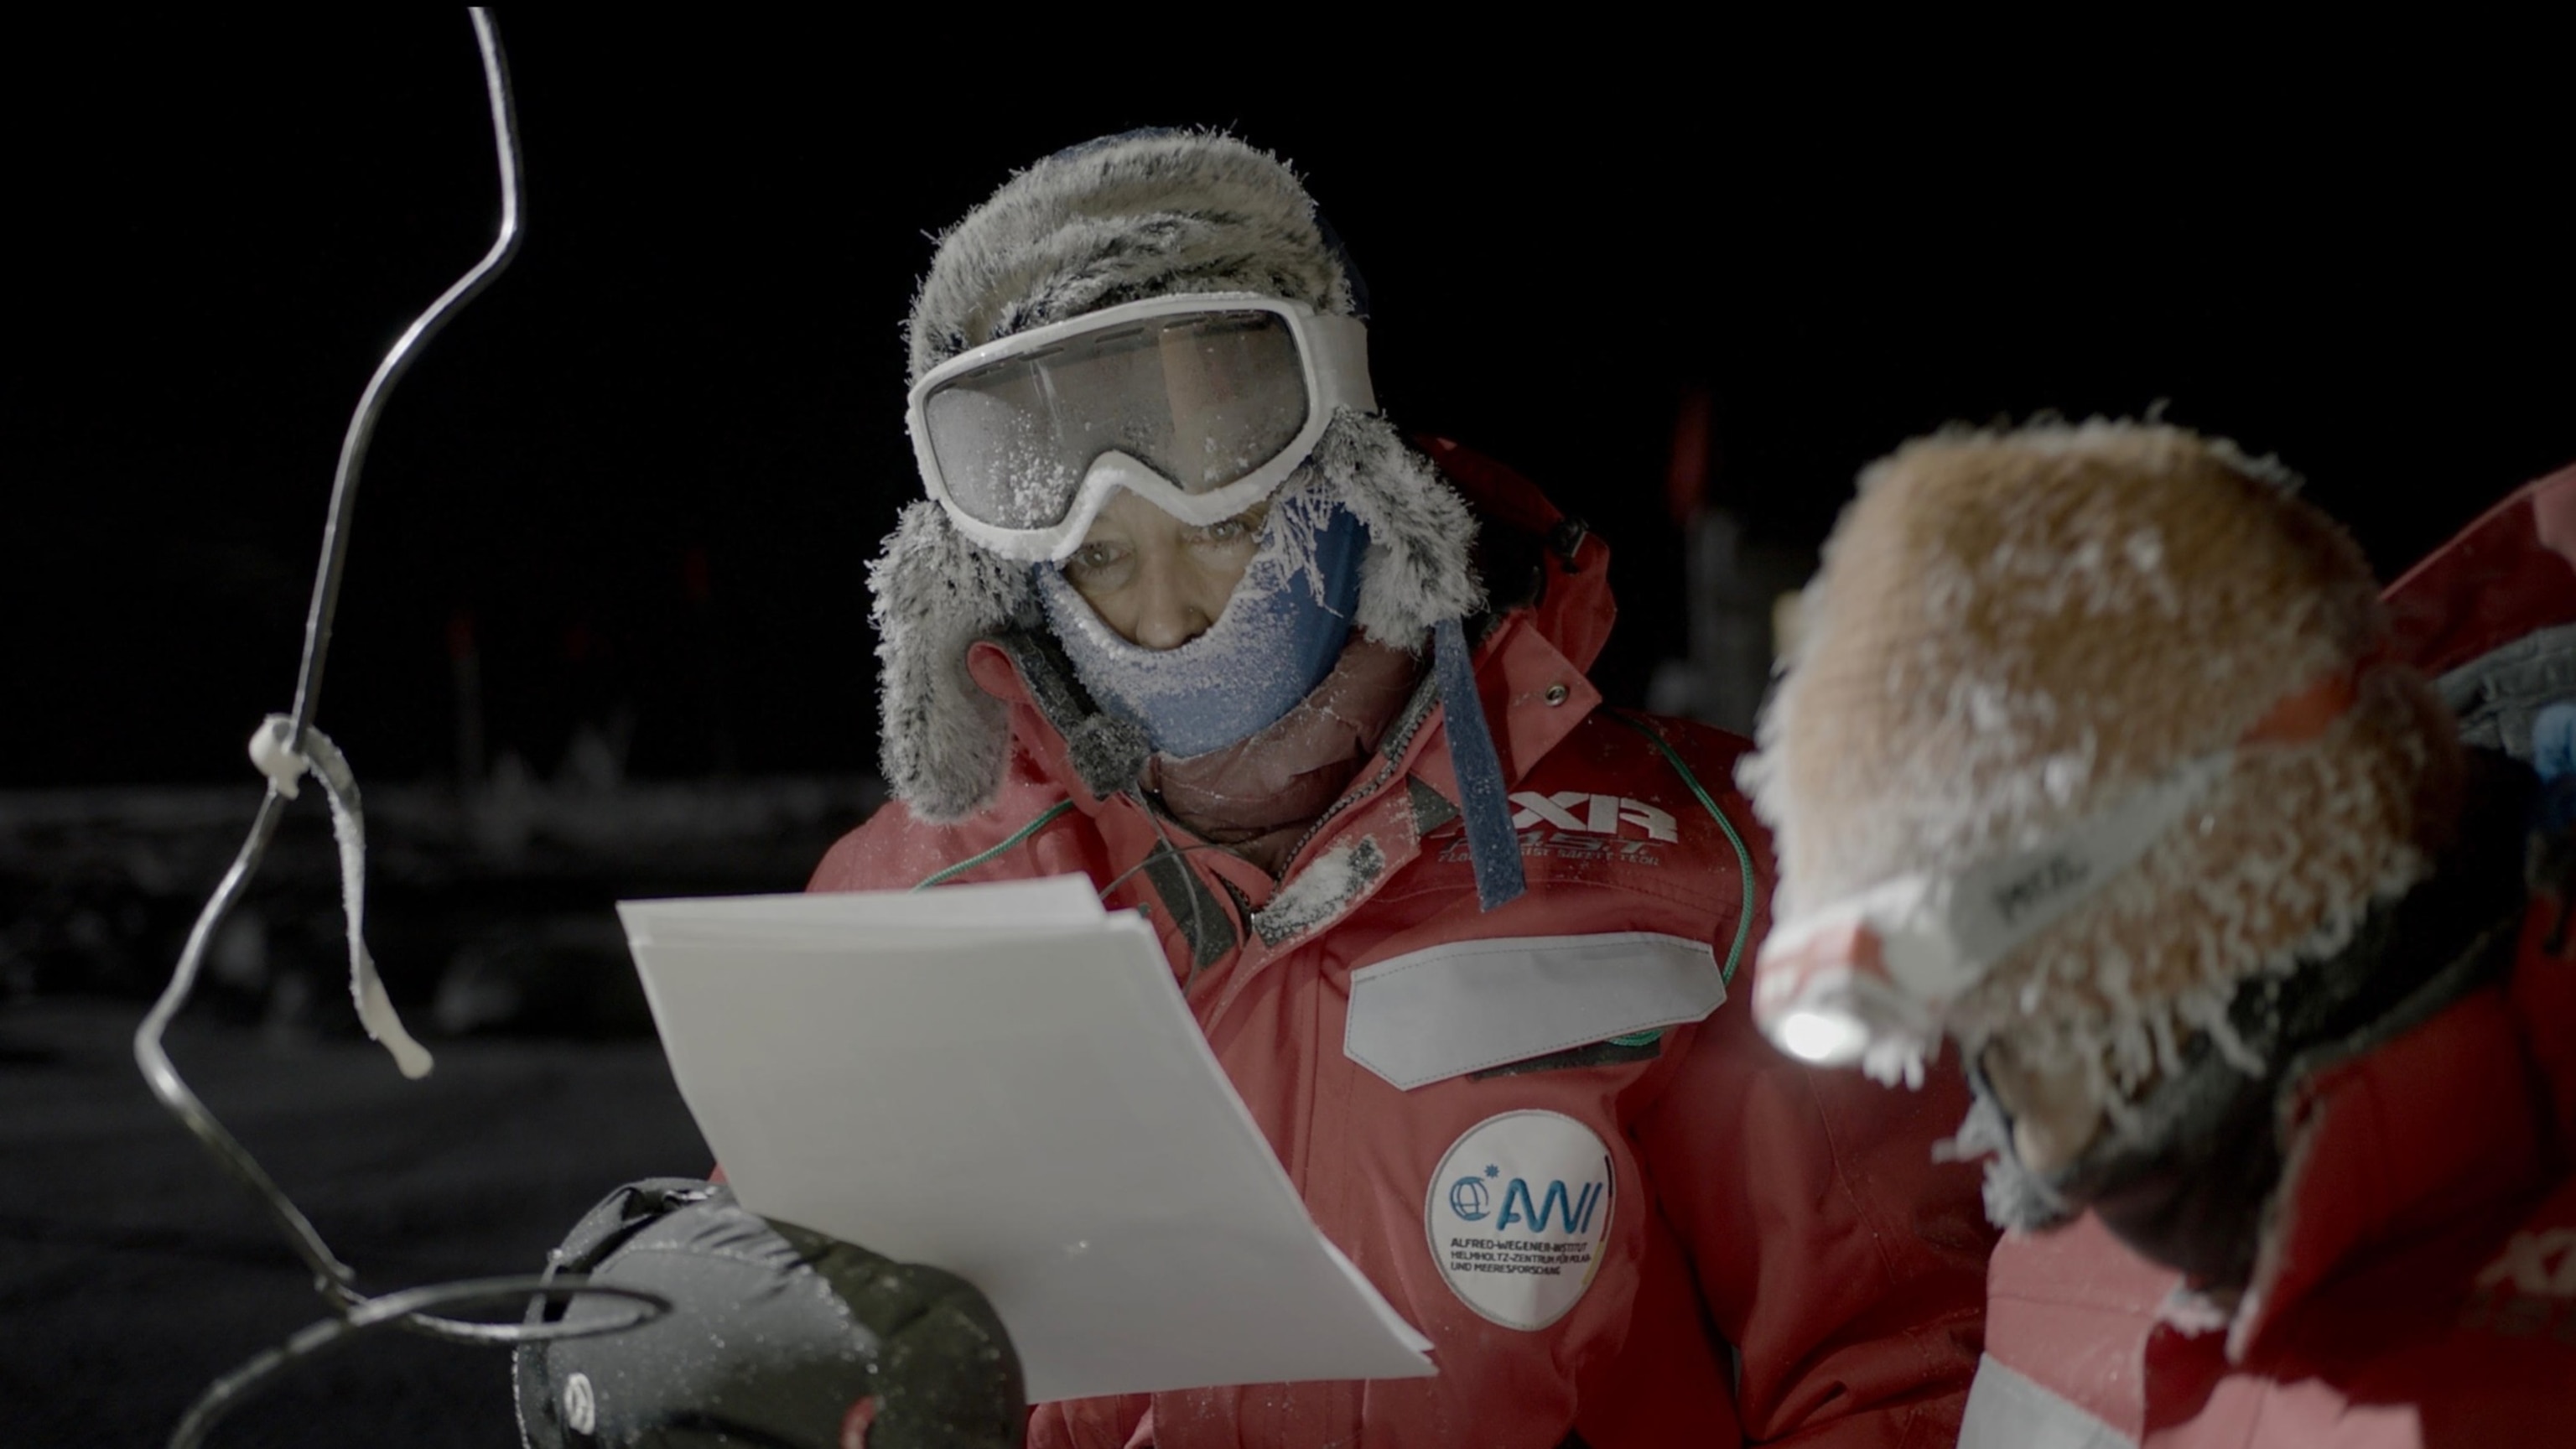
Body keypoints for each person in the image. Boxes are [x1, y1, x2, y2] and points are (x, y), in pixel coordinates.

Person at [524, 129, 1996, 1448]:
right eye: (1099, 557)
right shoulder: (908, 895)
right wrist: (693, 1335)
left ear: (1344, 472)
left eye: (1217, 523)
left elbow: (1893, 1359)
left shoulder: (1702, 857)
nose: (1161, 611)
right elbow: (822, 1342)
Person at [1741, 420, 2576, 1446]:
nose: (1999, 1074)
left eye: (2030, 988)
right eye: (1973, 1020)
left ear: (2228, 868)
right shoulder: (2070, 1243)